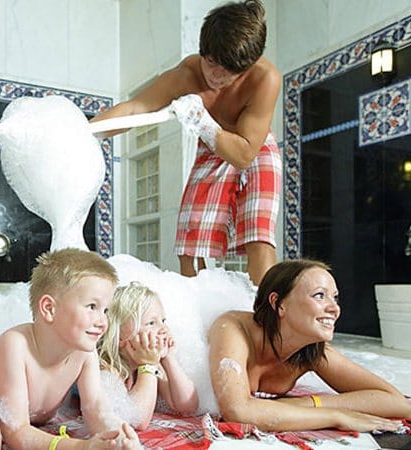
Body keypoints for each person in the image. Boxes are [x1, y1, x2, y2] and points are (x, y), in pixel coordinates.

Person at [91, 0, 281, 285]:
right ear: (203, 50)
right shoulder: (186, 75)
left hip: (252, 145)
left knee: (259, 238)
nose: (216, 75)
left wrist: (204, 122)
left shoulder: (266, 78)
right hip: (211, 149)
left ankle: (265, 310)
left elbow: (244, 155)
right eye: (211, 62)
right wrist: (83, 132)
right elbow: (134, 109)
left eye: (229, 71)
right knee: (189, 247)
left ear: (246, 67)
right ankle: (200, 307)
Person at [207, 259, 411, 432]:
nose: (334, 308)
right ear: (278, 304)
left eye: (335, 297)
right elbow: (237, 411)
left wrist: (309, 403)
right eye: (319, 295)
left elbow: (398, 403)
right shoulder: (232, 328)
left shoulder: (311, 350)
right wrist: (336, 416)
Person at [0, 248, 141, 449]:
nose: (103, 322)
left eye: (106, 310)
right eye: (92, 307)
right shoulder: (14, 345)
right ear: (49, 308)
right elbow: (15, 431)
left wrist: (118, 436)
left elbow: (96, 410)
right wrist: (81, 447)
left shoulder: (84, 352)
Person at [97, 282, 199, 430]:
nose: (163, 329)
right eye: (151, 323)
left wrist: (169, 358)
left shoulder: (156, 364)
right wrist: (147, 366)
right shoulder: (108, 368)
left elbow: (187, 406)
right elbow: (136, 421)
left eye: (163, 321)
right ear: (119, 336)